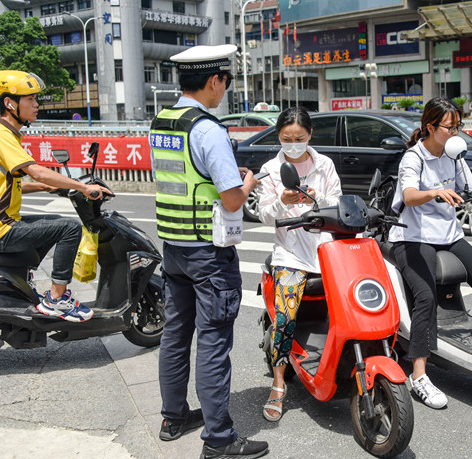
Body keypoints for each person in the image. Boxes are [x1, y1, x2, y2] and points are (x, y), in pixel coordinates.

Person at [150, 45, 268, 459]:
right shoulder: (207, 129)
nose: (225, 91)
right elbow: (233, 201)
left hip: (174, 246)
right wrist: (247, 184)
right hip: (207, 251)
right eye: (226, 82)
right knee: (214, 341)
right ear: (214, 81)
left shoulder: (161, 121)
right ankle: (219, 440)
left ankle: (173, 416)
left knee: (176, 334)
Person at [388, 97, 472, 409]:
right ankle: (419, 374)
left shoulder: (455, 155)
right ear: (430, 127)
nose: (455, 132)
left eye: (458, 126)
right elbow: (408, 195)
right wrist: (433, 191)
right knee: (425, 296)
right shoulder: (413, 158)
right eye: (450, 127)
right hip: (413, 237)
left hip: (449, 235)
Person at [256, 106, 342, 422]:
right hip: (289, 255)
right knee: (285, 319)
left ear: (309, 136)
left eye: (299, 138)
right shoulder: (269, 168)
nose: (293, 144)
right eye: (286, 138)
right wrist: (283, 202)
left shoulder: (325, 165)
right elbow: (265, 215)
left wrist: (318, 198)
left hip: (325, 251)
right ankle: (279, 384)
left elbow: (338, 202)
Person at [0, 70, 107, 322]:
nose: (37, 105)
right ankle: (56, 299)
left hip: (6, 224)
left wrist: (47, 188)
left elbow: (11, 186)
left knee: (52, 222)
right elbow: (35, 171)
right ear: (9, 103)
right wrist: (82, 188)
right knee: (69, 228)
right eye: (31, 99)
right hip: (4, 230)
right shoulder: (3, 135)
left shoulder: (10, 135)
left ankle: (24, 281)